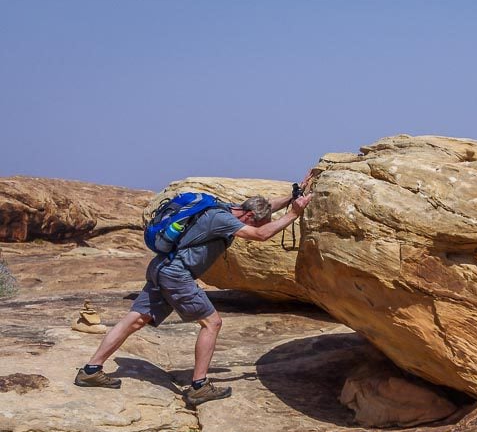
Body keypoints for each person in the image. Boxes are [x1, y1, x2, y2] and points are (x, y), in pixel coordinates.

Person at [74, 173, 314, 406]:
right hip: (177, 275)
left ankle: (91, 370)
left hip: (162, 267)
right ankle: (199, 387)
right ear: (249, 216)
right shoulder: (224, 220)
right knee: (212, 323)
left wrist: (291, 196)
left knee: (135, 319)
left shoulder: (228, 207)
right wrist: (294, 213)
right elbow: (261, 234)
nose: (264, 223)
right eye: (260, 220)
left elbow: (265, 206)